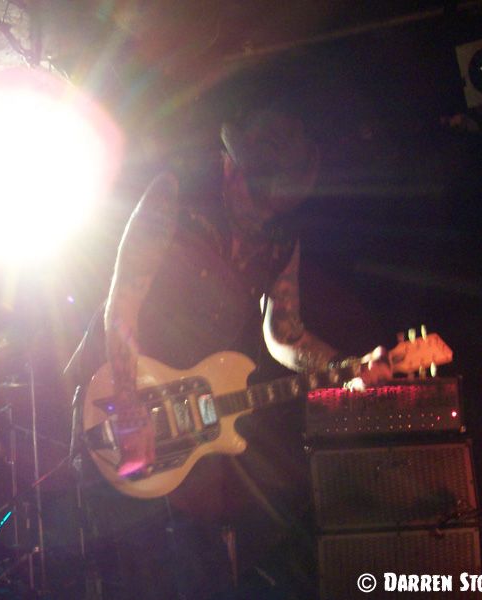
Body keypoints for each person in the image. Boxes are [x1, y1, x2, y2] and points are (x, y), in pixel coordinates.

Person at [65, 83, 393, 599]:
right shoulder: (173, 196)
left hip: (195, 422)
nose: (264, 213)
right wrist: (128, 410)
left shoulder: (281, 235)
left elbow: (283, 334)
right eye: (259, 195)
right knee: (133, 569)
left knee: (203, 571)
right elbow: (121, 304)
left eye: (277, 203)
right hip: (118, 401)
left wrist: (346, 366)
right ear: (231, 165)